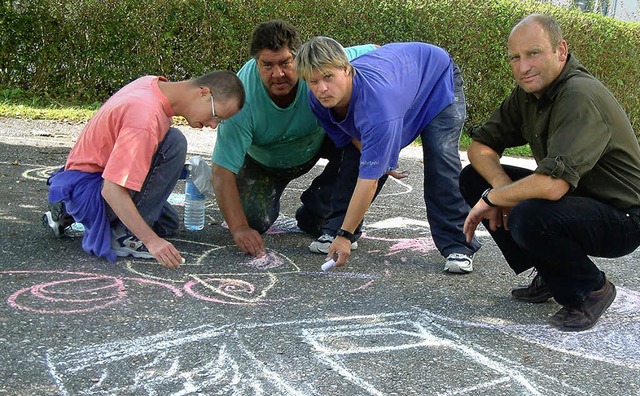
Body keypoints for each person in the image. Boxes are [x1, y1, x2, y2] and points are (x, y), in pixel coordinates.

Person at [460, 14, 640, 331]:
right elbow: (480, 145)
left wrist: (495, 198)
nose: (523, 67)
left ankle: (591, 289)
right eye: (515, 58)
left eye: (533, 53)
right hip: (578, 200)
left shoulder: (579, 96)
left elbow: (553, 186)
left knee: (528, 215)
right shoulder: (530, 94)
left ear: (561, 51)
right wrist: (499, 187)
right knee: (473, 178)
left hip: (623, 217)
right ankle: (551, 272)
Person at [295, 36, 481, 273]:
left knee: (440, 162)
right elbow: (354, 142)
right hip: (403, 80)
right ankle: (336, 227)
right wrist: (380, 156)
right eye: (313, 81)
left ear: (346, 69)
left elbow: (369, 181)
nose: (322, 88)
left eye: (328, 77)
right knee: (354, 158)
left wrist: (345, 236)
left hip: (437, 78)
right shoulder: (318, 100)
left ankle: (459, 245)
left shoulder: (377, 106)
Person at [43, 71, 245, 269]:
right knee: (174, 144)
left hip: (84, 178)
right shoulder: (145, 118)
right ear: (203, 93)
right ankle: (122, 236)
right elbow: (111, 190)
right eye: (216, 116)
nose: (213, 125)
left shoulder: (152, 85)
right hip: (94, 189)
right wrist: (151, 241)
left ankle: (67, 210)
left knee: (167, 224)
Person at [211, 20, 378, 258]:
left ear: (298, 58)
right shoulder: (240, 97)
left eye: (286, 63)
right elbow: (221, 171)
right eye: (267, 65)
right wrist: (239, 228)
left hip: (319, 143)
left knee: (362, 145)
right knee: (252, 221)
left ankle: (318, 208)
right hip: (264, 162)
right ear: (255, 63)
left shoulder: (317, 67)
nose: (278, 74)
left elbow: (377, 51)